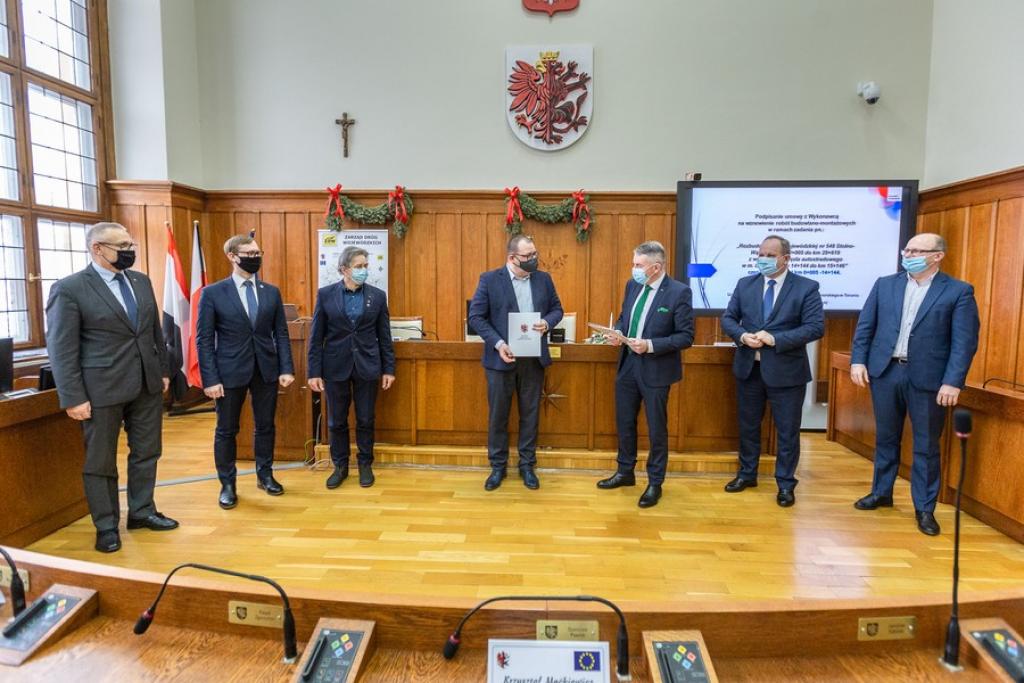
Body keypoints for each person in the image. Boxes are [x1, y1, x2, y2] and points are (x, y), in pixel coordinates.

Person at [45, 222, 178, 553]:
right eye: (121, 245)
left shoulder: (140, 281)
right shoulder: (70, 288)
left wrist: (162, 370)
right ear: (97, 249)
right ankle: (106, 525)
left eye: (130, 243)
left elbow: (153, 332)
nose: (129, 250)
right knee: (101, 461)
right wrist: (72, 397)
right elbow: (61, 348)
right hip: (99, 389)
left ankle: (142, 511)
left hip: (146, 384)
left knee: (147, 451)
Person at [850, 232, 979, 535]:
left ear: (937, 256)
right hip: (886, 372)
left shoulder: (958, 291)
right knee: (885, 438)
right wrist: (858, 360)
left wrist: (953, 382)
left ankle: (924, 508)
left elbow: (964, 342)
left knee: (925, 445)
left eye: (917, 250)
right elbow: (866, 326)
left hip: (929, 379)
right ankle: (881, 493)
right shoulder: (885, 285)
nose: (908, 255)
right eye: (907, 249)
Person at [720, 235, 824, 507]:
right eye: (761, 253)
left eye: (769, 254)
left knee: (787, 431)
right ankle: (747, 474)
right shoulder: (746, 284)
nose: (763, 259)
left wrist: (775, 339)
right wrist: (743, 336)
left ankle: (786, 484)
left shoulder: (806, 287)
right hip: (749, 369)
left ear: (785, 259)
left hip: (787, 373)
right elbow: (729, 318)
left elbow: (815, 327)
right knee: (748, 426)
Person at [196, 234, 294, 509]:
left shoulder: (271, 291)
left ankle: (265, 474)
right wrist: (210, 378)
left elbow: (281, 333)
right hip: (228, 372)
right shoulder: (213, 293)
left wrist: (286, 367)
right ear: (232, 256)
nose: (255, 258)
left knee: (266, 426)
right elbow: (203, 340)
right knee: (227, 430)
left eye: (257, 252)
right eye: (249, 254)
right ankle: (228, 484)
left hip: (266, 369)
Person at [596, 241, 694, 508]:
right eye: (633, 264)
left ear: (656, 267)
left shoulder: (679, 292)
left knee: (656, 428)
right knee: (625, 422)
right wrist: (616, 333)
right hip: (628, 364)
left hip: (656, 369)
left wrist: (650, 345)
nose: (633, 269)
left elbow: (686, 337)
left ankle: (654, 482)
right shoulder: (633, 285)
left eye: (638, 265)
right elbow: (625, 318)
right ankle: (625, 472)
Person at [468, 235, 564, 491]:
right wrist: (499, 344)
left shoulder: (544, 279)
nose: (534, 259)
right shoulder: (489, 280)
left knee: (530, 415)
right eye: (528, 256)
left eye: (535, 253)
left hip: (532, 360)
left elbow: (557, 309)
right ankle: (498, 466)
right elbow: (476, 317)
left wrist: (547, 323)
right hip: (500, 359)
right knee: (498, 415)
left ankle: (527, 465)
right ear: (512, 258)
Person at [308, 246, 396, 489]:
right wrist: (313, 371)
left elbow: (384, 336)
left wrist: (389, 369)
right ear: (344, 269)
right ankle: (340, 466)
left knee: (366, 418)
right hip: (335, 365)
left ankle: (365, 464)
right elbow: (316, 337)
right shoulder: (325, 295)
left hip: (368, 365)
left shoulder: (377, 296)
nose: (363, 270)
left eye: (366, 266)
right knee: (337, 420)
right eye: (359, 267)